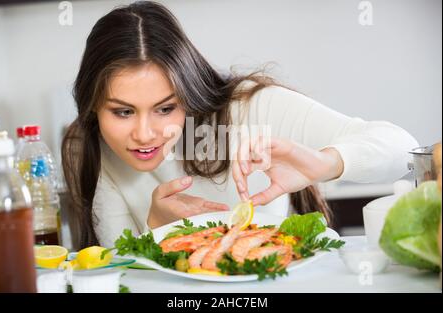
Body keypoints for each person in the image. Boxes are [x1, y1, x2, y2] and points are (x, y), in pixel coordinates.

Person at [62, 1, 418, 249]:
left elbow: (404, 151)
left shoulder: (250, 108)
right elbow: (118, 275)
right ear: (93, 106)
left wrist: (325, 163)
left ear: (188, 92)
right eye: (123, 112)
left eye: (165, 108)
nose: (143, 133)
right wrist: (154, 231)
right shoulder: (93, 147)